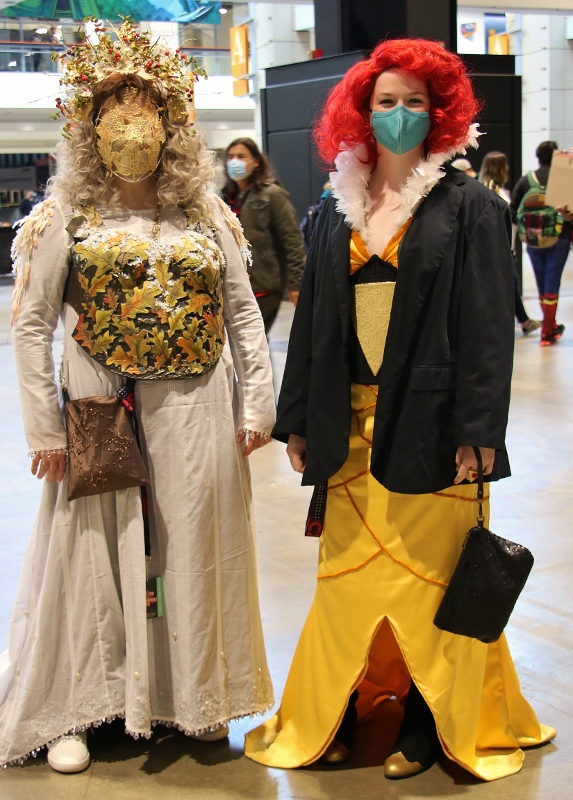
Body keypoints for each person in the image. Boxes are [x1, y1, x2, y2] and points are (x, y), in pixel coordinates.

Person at [0, 20, 275, 773]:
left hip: (195, 404)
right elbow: (30, 327)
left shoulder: (205, 214)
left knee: (192, 549)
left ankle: (191, 697)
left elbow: (241, 309)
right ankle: (79, 705)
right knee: (95, 551)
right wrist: (44, 434)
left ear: (172, 124)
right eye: (116, 111)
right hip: (99, 403)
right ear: (89, 128)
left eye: (147, 109)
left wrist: (256, 405)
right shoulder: (65, 218)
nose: (133, 126)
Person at [245, 39, 554, 782]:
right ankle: (346, 707)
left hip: (434, 429)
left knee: (430, 578)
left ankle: (426, 717)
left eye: (415, 101)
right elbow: (313, 320)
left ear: (440, 113)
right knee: (348, 578)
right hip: (346, 433)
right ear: (361, 111)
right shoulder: (329, 210)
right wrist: (297, 420)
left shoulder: (471, 206)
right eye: (385, 101)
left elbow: (487, 323)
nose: (399, 114)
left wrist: (479, 430)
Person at [222, 138, 305, 332]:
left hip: (264, 284)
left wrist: (296, 284)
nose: (235, 161)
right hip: (232, 282)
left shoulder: (272, 194)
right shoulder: (224, 197)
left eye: (241, 156)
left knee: (253, 339)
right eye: (231, 157)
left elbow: (292, 240)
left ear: (256, 161)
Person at [510, 141, 573, 346]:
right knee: (552, 284)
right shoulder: (563, 180)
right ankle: (547, 332)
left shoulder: (526, 181)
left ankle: (550, 326)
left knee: (541, 284)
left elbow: (511, 211)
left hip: (533, 240)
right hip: (559, 237)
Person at [479, 151, 541, 335]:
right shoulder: (492, 189)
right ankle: (523, 322)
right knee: (509, 285)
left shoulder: (493, 187)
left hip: (503, 247)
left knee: (511, 285)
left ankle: (524, 321)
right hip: (498, 248)